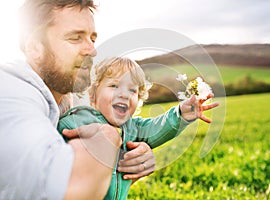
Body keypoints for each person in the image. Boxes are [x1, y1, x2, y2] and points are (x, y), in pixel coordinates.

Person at [0, 1, 154, 199]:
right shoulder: (11, 94)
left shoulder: (70, 97)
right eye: (75, 38)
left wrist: (132, 159)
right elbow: (71, 187)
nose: (92, 50)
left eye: (92, 38)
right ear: (34, 47)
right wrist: (105, 139)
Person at [58, 57, 219, 199]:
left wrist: (181, 114)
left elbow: (158, 127)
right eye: (114, 85)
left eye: (132, 90)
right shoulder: (79, 120)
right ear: (93, 94)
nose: (124, 94)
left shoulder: (132, 127)